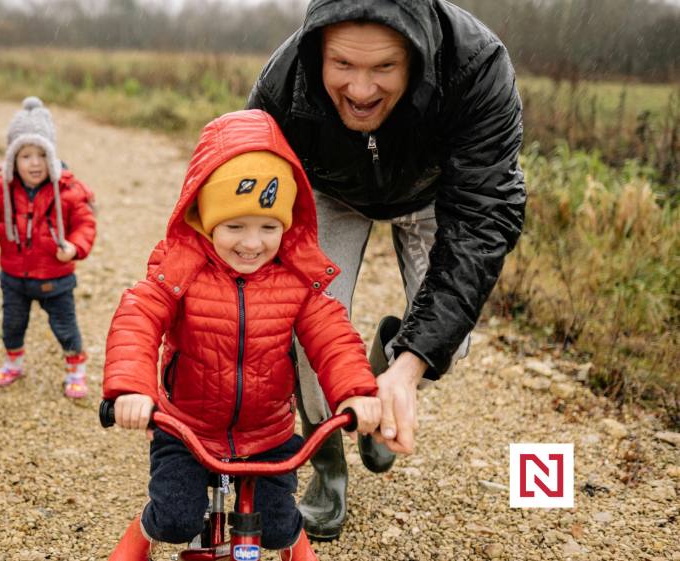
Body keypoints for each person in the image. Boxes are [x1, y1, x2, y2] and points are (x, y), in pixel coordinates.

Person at [245, 0, 526, 540]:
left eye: (384, 68)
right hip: (329, 190)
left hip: (430, 191)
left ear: (418, 56)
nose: (361, 90)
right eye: (343, 66)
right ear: (317, 52)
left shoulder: (478, 67)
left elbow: (484, 220)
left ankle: (384, 372)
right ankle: (326, 468)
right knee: (305, 332)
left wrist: (411, 364)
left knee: (450, 339)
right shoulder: (282, 87)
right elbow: (245, 198)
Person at [102, 110, 382, 561]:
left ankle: (296, 542)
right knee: (174, 518)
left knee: (276, 528)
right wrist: (132, 388)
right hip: (186, 428)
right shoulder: (181, 270)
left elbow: (332, 333)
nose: (252, 243)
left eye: (269, 227)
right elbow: (138, 317)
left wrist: (356, 392)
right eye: (235, 226)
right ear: (206, 219)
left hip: (268, 432)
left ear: (287, 224)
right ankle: (142, 529)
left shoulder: (295, 279)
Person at [0, 98, 97, 399]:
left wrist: (75, 247)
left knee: (65, 327)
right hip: (14, 276)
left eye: (42, 154)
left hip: (56, 277)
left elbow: (86, 225)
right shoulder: (3, 189)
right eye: (26, 155)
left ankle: (76, 368)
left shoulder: (67, 191)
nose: (35, 162)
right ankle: (13, 362)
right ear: (13, 159)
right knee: (12, 324)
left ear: (52, 156)